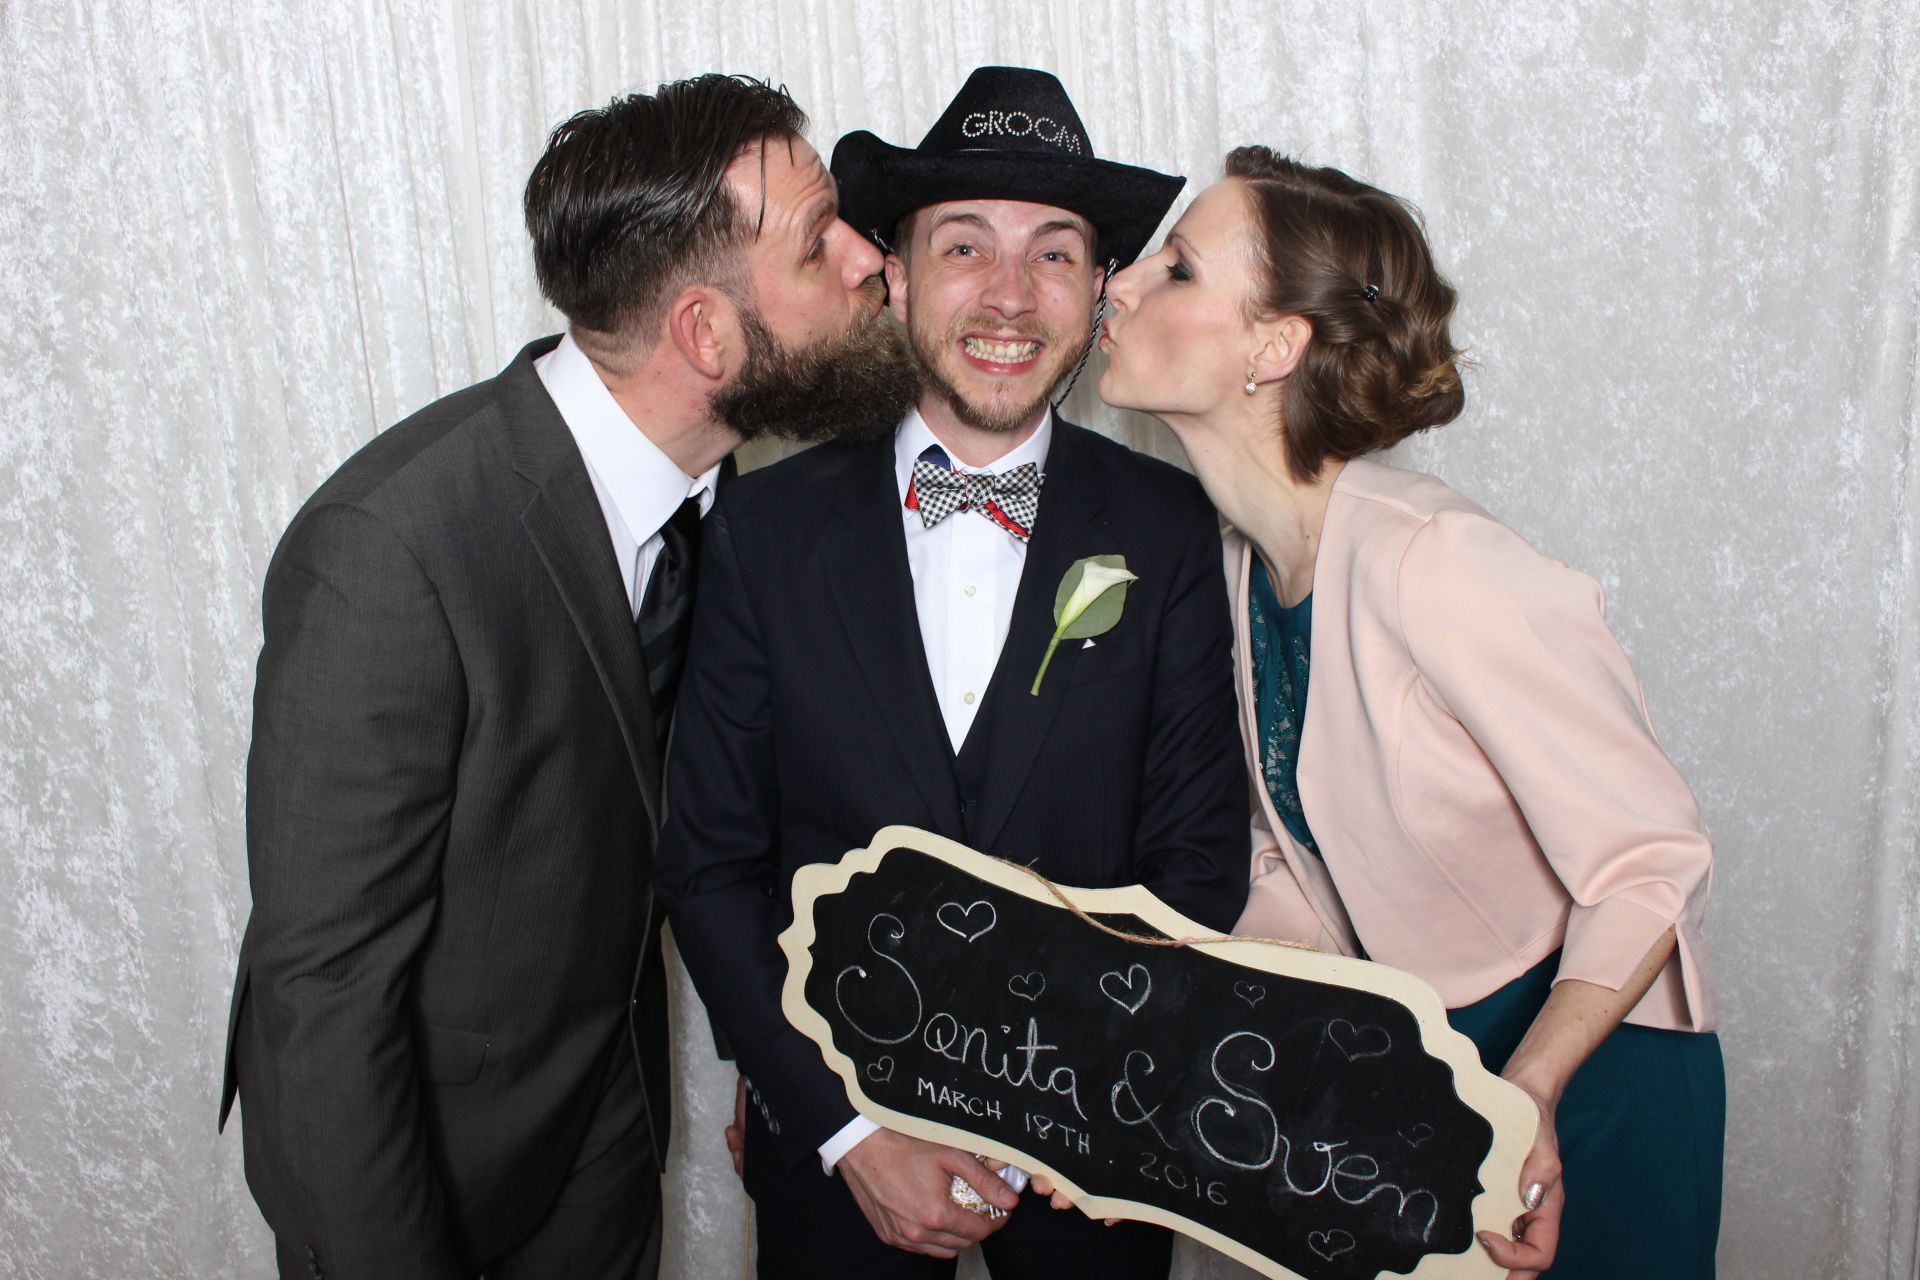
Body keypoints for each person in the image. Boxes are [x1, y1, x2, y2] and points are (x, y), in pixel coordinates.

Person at [219, 74, 918, 1280]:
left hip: (602, 1134)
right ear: (705, 333)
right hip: (422, 1171)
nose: (871, 259)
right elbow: (321, 992)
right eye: (820, 245)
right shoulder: (391, 551)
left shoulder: (723, 503)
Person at [654, 67, 1248, 1280]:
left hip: (1099, 1159)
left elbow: (1198, 862)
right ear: (900, 270)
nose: (1011, 295)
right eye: (965, 245)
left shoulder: (1172, 526)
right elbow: (711, 864)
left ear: (1097, 289)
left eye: (1057, 252)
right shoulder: (759, 528)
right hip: (835, 1161)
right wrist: (844, 1126)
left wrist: (1048, 1118)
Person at [1091, 147, 1725, 1278]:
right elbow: (1299, 871)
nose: (1118, 285)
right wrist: (1136, 1075)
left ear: (1273, 346)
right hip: (1427, 1076)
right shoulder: (1241, 565)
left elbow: (1648, 860)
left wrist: (1528, 1086)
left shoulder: (1435, 561)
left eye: (1176, 269)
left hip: (1586, 1069)